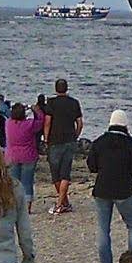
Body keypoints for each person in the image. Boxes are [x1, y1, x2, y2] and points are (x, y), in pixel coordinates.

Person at [85, 109, 132, 263]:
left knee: (103, 228)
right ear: (125, 125)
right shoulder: (131, 144)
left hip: (102, 189)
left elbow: (92, 166)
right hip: (124, 189)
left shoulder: (99, 142)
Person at [43, 78, 84, 215]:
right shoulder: (74, 103)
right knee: (65, 172)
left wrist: (46, 137)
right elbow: (79, 123)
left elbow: (47, 122)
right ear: (67, 89)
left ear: (56, 89)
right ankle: (64, 202)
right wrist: (76, 135)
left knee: (56, 174)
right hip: (69, 139)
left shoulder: (52, 103)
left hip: (54, 140)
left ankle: (60, 204)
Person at [2, 102, 44, 209]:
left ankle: (14, 205)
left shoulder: (8, 123)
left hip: (12, 155)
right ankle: (27, 206)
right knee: (27, 181)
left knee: (14, 182)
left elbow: (6, 112)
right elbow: (41, 121)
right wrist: (36, 110)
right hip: (28, 155)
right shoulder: (29, 124)